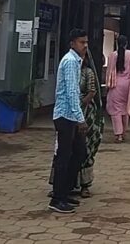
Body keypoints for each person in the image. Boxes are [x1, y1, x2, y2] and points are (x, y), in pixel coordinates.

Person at [49, 55, 104, 199]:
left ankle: (83, 185)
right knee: (64, 152)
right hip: (69, 114)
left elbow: (92, 91)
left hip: (85, 114)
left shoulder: (87, 72)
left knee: (84, 150)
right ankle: (60, 189)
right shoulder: (69, 66)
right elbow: (69, 93)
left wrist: (81, 106)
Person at [49, 29, 89, 214]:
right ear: (72, 43)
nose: (85, 45)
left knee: (79, 153)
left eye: (86, 42)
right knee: (64, 157)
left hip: (70, 115)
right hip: (66, 116)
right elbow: (72, 92)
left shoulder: (75, 60)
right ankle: (57, 198)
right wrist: (80, 119)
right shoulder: (71, 61)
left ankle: (65, 192)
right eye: (81, 42)